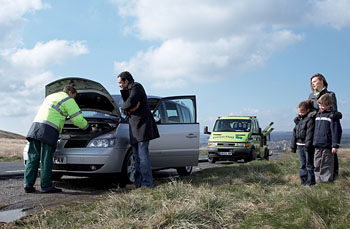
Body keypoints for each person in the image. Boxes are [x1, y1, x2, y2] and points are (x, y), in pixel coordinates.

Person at [24, 85, 92, 193]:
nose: (74, 99)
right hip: (49, 129)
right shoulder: (68, 99)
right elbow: (78, 119)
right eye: (74, 97)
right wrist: (88, 128)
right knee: (46, 158)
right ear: (70, 92)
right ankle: (46, 186)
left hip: (35, 127)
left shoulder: (51, 96)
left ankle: (28, 185)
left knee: (33, 157)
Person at [117, 71, 160, 188]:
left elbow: (129, 103)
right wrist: (129, 109)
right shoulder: (128, 91)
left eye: (120, 83)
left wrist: (125, 107)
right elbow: (126, 109)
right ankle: (138, 183)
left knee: (142, 156)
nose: (119, 85)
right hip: (134, 128)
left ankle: (147, 183)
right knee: (136, 158)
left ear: (127, 81)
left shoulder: (137, 86)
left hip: (143, 127)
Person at [308, 73, 342, 178]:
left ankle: (333, 174)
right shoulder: (311, 96)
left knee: (330, 154)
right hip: (315, 126)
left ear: (322, 81)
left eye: (315, 81)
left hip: (326, 126)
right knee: (316, 155)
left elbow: (334, 111)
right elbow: (309, 111)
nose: (313, 84)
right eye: (311, 82)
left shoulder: (330, 94)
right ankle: (316, 176)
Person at [313, 94, 342, 183]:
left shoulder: (332, 116)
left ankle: (326, 182)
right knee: (317, 163)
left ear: (329, 105)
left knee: (326, 164)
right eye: (320, 105)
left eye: (323, 105)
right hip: (318, 145)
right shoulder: (318, 115)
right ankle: (318, 181)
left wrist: (335, 145)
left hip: (327, 145)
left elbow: (336, 131)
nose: (321, 107)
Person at [291, 100, 316, 186]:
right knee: (302, 164)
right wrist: (293, 146)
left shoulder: (310, 120)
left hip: (307, 145)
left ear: (308, 110)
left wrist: (308, 145)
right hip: (299, 145)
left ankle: (310, 182)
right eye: (299, 112)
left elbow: (310, 133)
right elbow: (294, 133)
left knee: (309, 164)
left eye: (302, 112)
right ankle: (303, 181)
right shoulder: (298, 120)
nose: (301, 114)